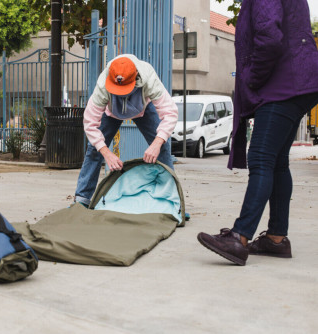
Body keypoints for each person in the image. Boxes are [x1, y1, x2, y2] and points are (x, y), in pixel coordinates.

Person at [197, 0, 318, 265]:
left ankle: (239, 237)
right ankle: (276, 238)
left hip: (284, 83)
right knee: (276, 162)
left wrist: (252, 77)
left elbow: (270, 38)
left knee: (262, 157)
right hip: (300, 79)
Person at [74, 54, 178, 207]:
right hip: (112, 111)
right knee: (94, 149)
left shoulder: (148, 77)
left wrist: (157, 143)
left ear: (136, 77)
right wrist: (106, 153)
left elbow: (170, 112)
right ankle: (82, 199)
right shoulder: (103, 84)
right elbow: (90, 123)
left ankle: (172, 201)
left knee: (162, 146)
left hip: (143, 108)